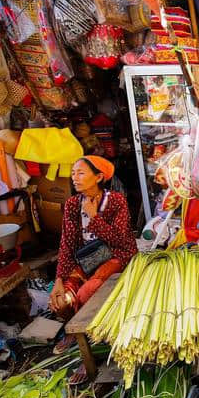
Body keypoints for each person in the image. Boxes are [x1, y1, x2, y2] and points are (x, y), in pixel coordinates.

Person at [49, 155, 137, 383]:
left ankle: (88, 347)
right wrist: (59, 279)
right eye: (73, 173)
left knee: (87, 294)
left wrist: (94, 216)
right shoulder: (71, 204)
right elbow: (67, 243)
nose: (74, 178)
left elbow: (121, 241)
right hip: (87, 261)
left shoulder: (116, 201)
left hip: (116, 257)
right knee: (60, 299)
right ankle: (73, 330)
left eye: (81, 173)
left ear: (98, 177)